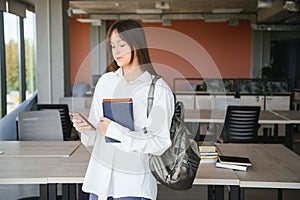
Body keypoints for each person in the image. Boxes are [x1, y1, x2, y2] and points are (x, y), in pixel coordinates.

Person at [72, 19, 174, 200]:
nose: (116, 51)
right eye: (112, 46)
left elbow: (159, 143)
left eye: (121, 44)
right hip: (100, 183)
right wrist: (87, 129)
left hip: (133, 186)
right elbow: (96, 135)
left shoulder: (157, 88)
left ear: (137, 45)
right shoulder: (105, 82)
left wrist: (116, 131)